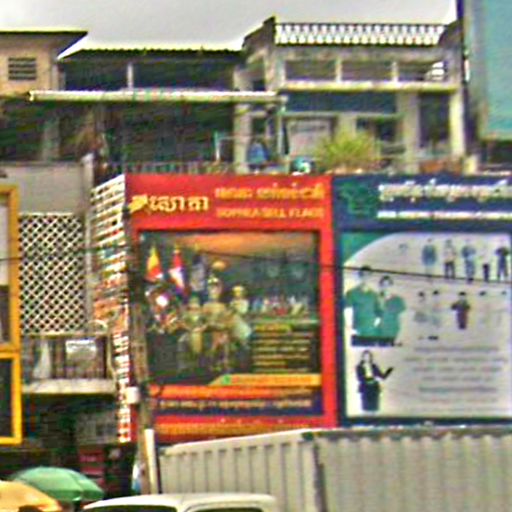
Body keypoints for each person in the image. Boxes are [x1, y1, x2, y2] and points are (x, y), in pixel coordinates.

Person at [344, 266, 381, 344]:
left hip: (370, 330)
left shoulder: (374, 295)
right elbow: (347, 309)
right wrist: (349, 325)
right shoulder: (352, 293)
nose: (365, 277)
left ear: (370, 277)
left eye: (368, 275)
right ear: (359, 276)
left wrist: (374, 324)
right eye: (363, 275)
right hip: (357, 329)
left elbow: (378, 313)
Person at [377, 275, 406, 346]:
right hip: (380, 333)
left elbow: (403, 319)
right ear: (380, 286)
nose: (386, 287)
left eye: (388, 285)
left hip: (393, 333)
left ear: (392, 286)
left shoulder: (398, 300)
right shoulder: (377, 299)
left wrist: (400, 337)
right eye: (384, 285)